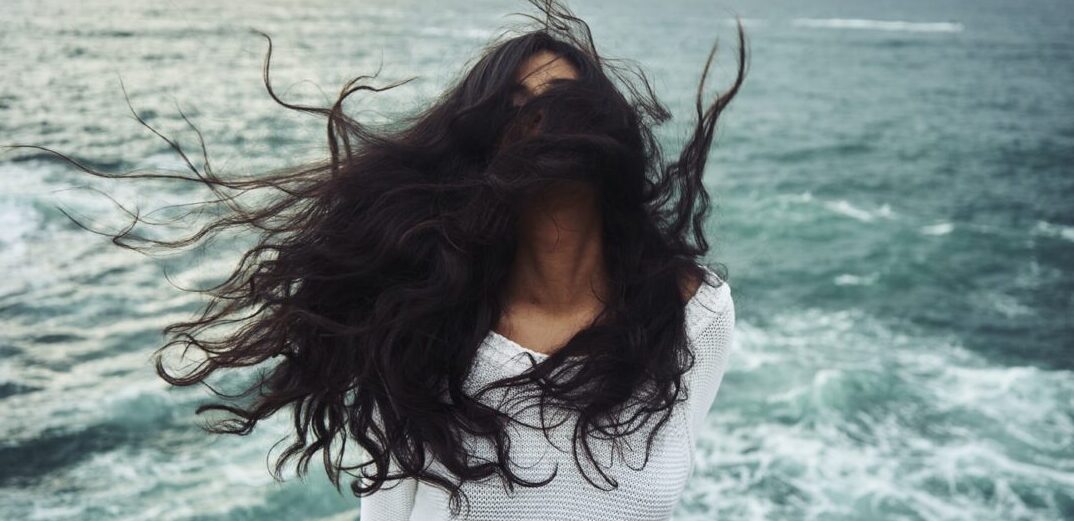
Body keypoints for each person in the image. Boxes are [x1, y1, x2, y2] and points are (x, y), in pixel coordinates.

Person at [10, 1, 747, 519]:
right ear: (482, 146)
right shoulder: (426, 319)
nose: (541, 123)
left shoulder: (695, 313)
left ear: (609, 126)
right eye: (517, 108)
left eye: (562, 103)